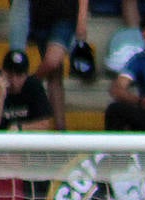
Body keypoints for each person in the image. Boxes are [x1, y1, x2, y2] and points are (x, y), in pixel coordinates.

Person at [27, 0, 89, 132]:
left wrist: (82, 19)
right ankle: (60, 128)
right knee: (54, 75)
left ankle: (28, 85)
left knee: (52, 61)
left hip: (65, 14)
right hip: (39, 14)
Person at [0, 48, 51, 130]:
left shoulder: (34, 86)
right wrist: (0, 97)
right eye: (10, 75)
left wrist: (20, 128)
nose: (14, 80)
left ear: (26, 75)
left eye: (19, 75)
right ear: (2, 72)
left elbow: (44, 124)